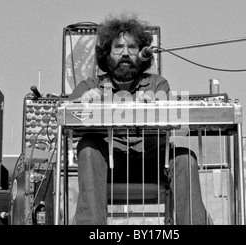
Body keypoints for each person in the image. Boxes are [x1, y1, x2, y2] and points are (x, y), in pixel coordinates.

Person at [68, 14, 210, 225]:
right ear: (106, 53)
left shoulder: (157, 84)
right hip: (107, 166)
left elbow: (174, 121)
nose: (125, 53)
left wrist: (154, 108)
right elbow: (65, 114)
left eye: (132, 47)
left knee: (184, 157)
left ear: (142, 54)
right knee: (87, 147)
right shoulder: (90, 85)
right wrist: (83, 102)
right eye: (118, 47)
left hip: (151, 163)